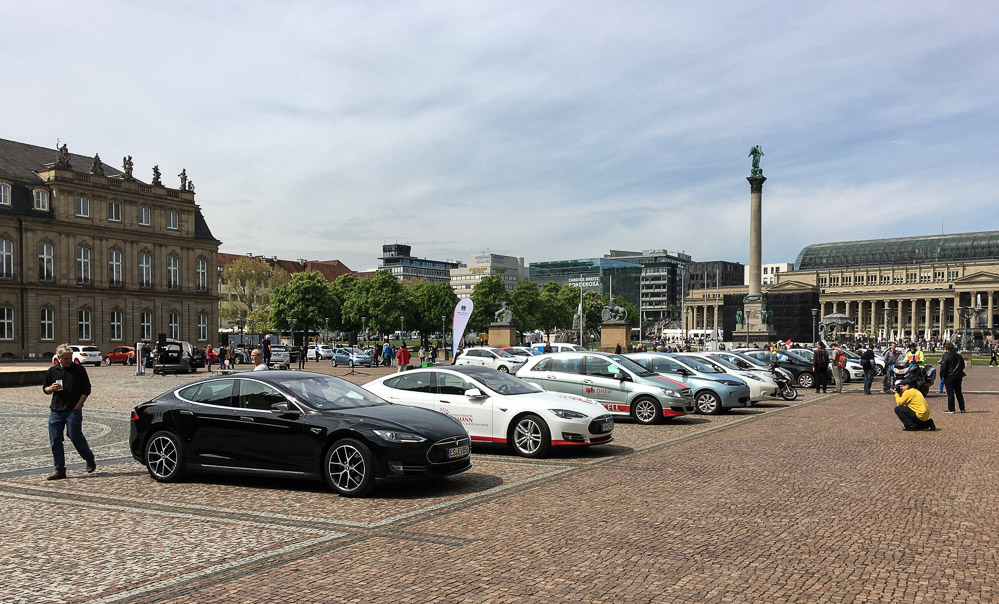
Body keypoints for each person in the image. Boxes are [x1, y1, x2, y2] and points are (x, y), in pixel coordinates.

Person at [43, 344, 97, 480]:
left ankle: (89, 458)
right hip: (56, 410)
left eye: (70, 358)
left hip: (73, 409)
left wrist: (79, 404)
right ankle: (59, 470)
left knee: (75, 436)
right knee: (55, 440)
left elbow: (86, 389)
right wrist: (51, 388)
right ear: (59, 358)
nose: (68, 361)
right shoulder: (52, 371)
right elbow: (45, 389)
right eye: (66, 359)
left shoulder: (79, 370)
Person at [939, 342, 967, 413]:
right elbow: (963, 365)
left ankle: (951, 408)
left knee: (950, 393)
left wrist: (942, 376)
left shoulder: (946, 356)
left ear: (946, 348)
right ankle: (962, 408)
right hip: (958, 376)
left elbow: (943, 367)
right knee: (958, 392)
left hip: (949, 376)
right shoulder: (959, 356)